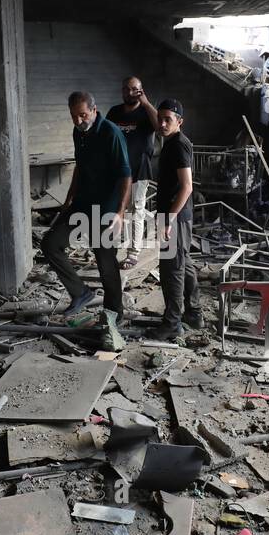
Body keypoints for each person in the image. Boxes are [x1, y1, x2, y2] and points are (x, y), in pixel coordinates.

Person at [41, 91, 131, 349]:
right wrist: (69, 198)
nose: (78, 120)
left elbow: (126, 175)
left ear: (94, 110)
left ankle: (114, 315)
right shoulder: (78, 133)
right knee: (50, 244)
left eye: (82, 115)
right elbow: (80, 166)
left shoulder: (111, 133)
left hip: (106, 209)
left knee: (105, 263)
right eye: (74, 116)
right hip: (82, 203)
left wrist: (121, 212)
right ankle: (81, 293)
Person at [153, 99, 200, 339]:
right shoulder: (172, 142)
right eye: (159, 118)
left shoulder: (179, 145)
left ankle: (172, 323)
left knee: (172, 269)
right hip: (177, 216)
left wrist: (168, 219)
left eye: (167, 119)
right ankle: (194, 313)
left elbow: (187, 187)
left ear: (179, 121)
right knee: (184, 263)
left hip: (176, 217)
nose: (162, 123)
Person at [106, 76, 160, 270]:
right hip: (117, 170)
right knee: (117, 208)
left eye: (134, 89)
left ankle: (133, 252)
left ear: (141, 90)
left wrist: (146, 104)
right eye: (126, 89)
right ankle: (114, 246)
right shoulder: (114, 112)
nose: (129, 93)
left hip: (140, 169)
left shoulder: (147, 113)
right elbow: (105, 136)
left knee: (136, 210)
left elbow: (160, 129)